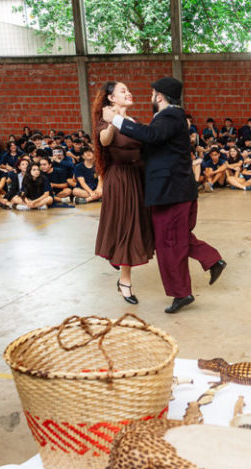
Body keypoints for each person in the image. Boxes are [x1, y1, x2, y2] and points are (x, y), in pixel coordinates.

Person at [104, 76, 225, 314]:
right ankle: (212, 260)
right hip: (171, 191)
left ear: (159, 96)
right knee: (174, 238)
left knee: (169, 243)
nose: (150, 98)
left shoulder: (171, 116)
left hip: (171, 192)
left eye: (152, 94)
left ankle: (182, 293)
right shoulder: (167, 118)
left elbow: (152, 136)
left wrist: (116, 120)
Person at [94, 81, 155, 305]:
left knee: (133, 228)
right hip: (119, 180)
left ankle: (117, 258)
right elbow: (104, 140)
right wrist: (111, 122)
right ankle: (125, 281)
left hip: (137, 178)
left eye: (128, 90)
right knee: (127, 229)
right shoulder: (104, 121)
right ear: (111, 98)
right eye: (123, 91)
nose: (128, 93)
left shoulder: (134, 121)